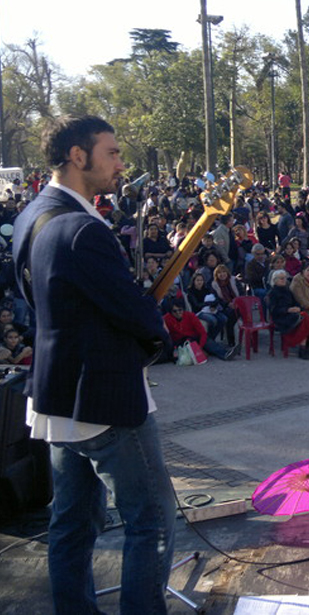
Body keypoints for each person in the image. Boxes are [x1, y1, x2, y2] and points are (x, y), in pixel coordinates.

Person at [12, 115, 175, 613]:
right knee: (152, 521)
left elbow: (34, 304)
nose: (120, 164)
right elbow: (136, 313)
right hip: (104, 403)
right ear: (78, 157)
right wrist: (156, 334)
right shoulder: (83, 230)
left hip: (55, 398)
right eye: (112, 153)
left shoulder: (31, 214)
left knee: (71, 523)